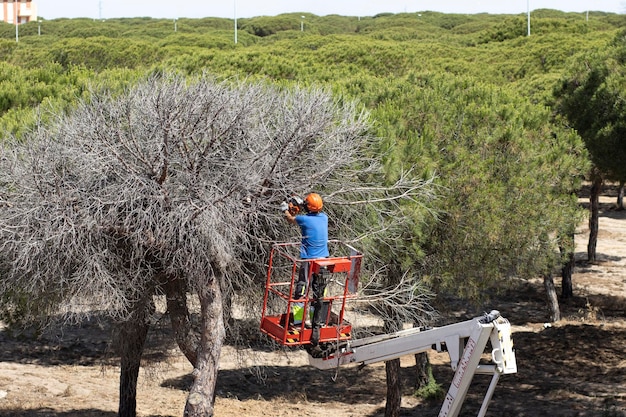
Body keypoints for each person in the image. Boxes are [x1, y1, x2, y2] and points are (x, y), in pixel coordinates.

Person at [280, 192, 329, 326]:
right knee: (319, 290)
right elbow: (311, 211)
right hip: (323, 260)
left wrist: (285, 209)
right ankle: (318, 322)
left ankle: (297, 322)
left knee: (302, 288)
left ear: (308, 207)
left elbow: (290, 219)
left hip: (309, 259)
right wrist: (304, 204)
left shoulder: (304, 220)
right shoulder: (324, 218)